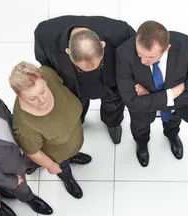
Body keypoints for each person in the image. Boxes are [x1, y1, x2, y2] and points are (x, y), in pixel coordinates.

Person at [34, 15, 135, 144]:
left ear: (103, 45)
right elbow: (44, 61)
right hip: (73, 87)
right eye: (81, 68)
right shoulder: (45, 34)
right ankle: (78, 122)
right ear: (68, 52)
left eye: (99, 64)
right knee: (75, 109)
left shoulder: (121, 32)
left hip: (110, 84)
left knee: (113, 107)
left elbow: (135, 58)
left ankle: (112, 123)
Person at [116, 20, 188, 167]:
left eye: (150, 57)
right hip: (143, 112)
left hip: (175, 107)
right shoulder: (124, 53)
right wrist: (172, 93)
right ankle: (142, 145)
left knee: (173, 123)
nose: (143, 61)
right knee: (139, 129)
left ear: (166, 49)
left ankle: (172, 137)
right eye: (139, 53)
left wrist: (149, 97)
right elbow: (131, 101)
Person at [9, 62, 90, 200]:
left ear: (45, 80)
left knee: (70, 153)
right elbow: (34, 152)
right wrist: (51, 166)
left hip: (73, 138)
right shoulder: (24, 125)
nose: (42, 100)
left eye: (43, 91)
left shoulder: (48, 74)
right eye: (32, 98)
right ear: (20, 96)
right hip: (57, 155)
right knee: (62, 166)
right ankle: (67, 178)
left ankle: (72, 156)